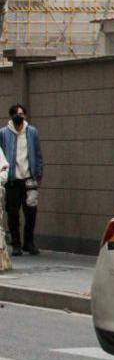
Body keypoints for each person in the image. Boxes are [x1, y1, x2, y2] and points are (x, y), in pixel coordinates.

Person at [1, 104, 44, 256]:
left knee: (31, 212)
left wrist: (38, 174)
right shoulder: (4, 133)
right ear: (12, 116)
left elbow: (38, 154)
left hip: (29, 179)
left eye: (22, 114)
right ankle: (16, 244)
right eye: (17, 114)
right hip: (12, 180)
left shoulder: (31, 132)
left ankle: (29, 242)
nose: (20, 116)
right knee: (13, 213)